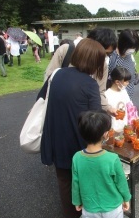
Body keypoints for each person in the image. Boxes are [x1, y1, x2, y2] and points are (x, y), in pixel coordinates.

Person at [37, 38, 106, 218]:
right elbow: (96, 121)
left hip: (56, 139)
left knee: (65, 184)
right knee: (83, 185)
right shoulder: (90, 84)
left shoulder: (57, 74)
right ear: (94, 62)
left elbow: (42, 98)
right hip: (77, 144)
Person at [44, 27, 117, 116]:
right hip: (58, 109)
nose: (104, 57)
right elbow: (49, 79)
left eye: (108, 54)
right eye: (102, 52)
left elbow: (100, 92)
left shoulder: (103, 65)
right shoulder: (66, 51)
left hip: (84, 116)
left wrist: (107, 108)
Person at [72, 110, 131, 217]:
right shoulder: (112, 158)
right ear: (105, 134)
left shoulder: (77, 158)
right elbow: (121, 182)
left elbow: (75, 183)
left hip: (89, 207)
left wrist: (77, 201)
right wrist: (126, 198)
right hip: (112, 207)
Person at [108, 28, 139, 100]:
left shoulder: (130, 56)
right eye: (130, 47)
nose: (132, 50)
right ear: (122, 43)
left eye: (134, 47)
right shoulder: (112, 57)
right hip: (115, 99)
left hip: (128, 98)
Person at [105, 67, 132, 133]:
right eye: (126, 81)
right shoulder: (107, 95)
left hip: (125, 127)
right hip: (113, 130)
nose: (128, 83)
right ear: (117, 82)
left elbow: (129, 106)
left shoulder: (124, 91)